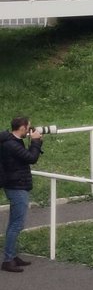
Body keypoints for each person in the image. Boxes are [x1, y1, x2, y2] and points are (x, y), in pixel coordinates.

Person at [1, 116, 44, 272]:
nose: (30, 129)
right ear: (22, 127)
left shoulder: (13, 141)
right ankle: (8, 260)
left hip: (16, 184)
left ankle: (12, 255)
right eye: (29, 127)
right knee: (16, 225)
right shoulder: (12, 144)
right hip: (16, 186)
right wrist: (36, 142)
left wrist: (35, 142)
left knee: (14, 223)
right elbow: (31, 158)